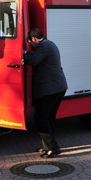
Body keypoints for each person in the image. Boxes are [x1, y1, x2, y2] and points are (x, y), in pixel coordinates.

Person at [23, 28, 68, 158]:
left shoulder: (43, 46)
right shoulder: (49, 43)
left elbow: (33, 60)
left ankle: (53, 148)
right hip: (57, 87)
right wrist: (25, 53)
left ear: (34, 39)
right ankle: (48, 147)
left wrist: (20, 55)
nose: (30, 45)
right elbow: (35, 55)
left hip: (51, 89)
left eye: (30, 42)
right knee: (48, 118)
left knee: (41, 118)